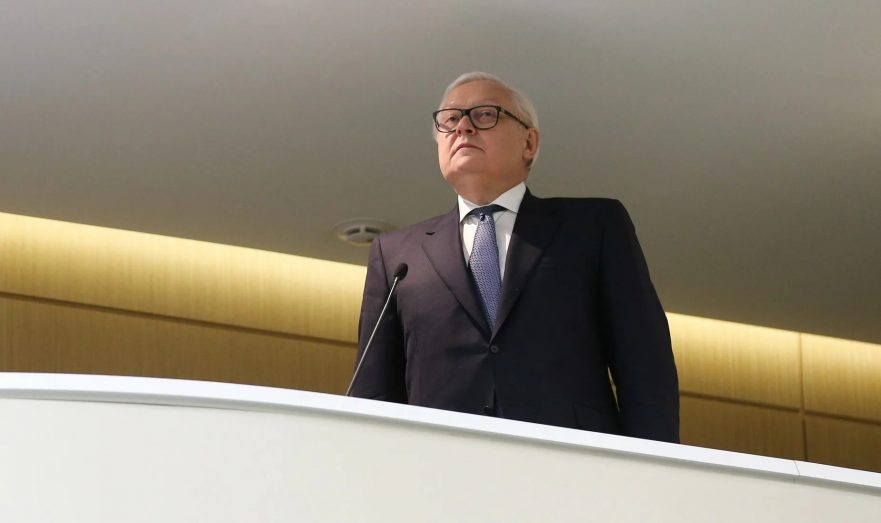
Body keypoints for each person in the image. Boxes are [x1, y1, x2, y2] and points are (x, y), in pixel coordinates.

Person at [351, 72, 679, 443]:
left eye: (485, 115)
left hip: (570, 457)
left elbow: (645, 365)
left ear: (529, 142)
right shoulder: (396, 255)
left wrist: (654, 467)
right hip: (439, 462)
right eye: (450, 119)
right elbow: (373, 392)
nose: (463, 128)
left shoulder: (594, 227)